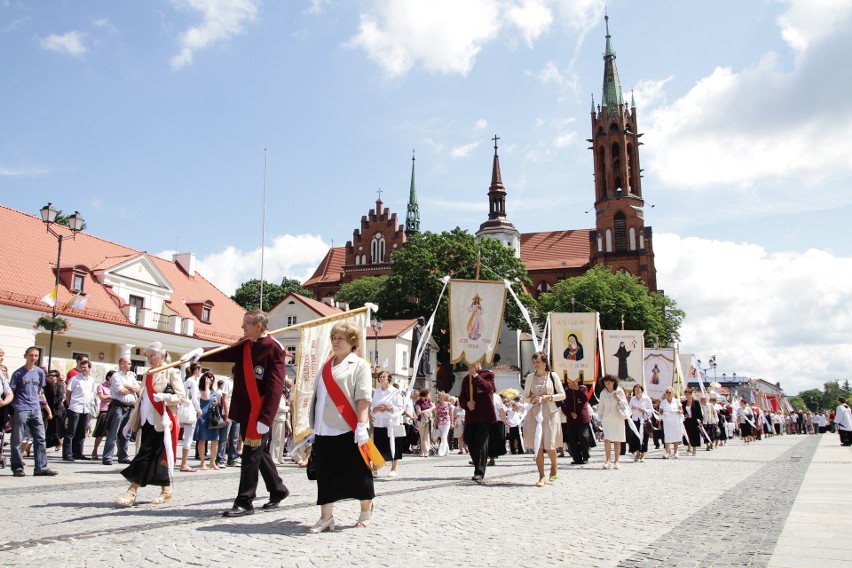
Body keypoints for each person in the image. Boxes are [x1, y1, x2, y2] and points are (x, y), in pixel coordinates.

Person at [184, 310, 290, 518]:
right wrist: (201, 352)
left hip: (259, 413)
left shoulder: (275, 349)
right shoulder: (245, 344)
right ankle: (278, 490)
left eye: (246, 324)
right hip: (246, 409)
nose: (243, 327)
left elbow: (275, 387)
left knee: (251, 455)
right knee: (259, 454)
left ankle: (244, 501)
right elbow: (224, 352)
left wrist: (266, 418)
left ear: (259, 325)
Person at [306, 322, 375, 533]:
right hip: (323, 427)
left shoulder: (359, 365)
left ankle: (366, 509)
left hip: (348, 426)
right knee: (325, 474)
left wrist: (362, 426)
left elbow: (363, 398)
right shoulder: (326, 366)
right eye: (333, 337)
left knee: (358, 471)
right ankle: (326, 518)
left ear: (352, 341)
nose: (335, 342)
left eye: (340, 338)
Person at [115, 342, 186, 506]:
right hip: (147, 420)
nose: (149, 359)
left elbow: (181, 397)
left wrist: (165, 398)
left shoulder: (171, 372)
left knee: (145, 454)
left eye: (152, 355)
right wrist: (133, 419)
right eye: (147, 356)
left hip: (163, 421)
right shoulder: (148, 373)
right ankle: (166, 491)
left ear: (162, 355)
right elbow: (142, 397)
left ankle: (132, 491)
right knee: (156, 455)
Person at [8, 347, 58, 477]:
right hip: (21, 408)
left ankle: (41, 467)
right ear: (25, 356)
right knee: (17, 440)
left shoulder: (39, 372)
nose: (33, 358)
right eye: (31, 355)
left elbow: (39, 390)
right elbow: (12, 391)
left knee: (40, 438)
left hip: (35, 408)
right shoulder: (18, 373)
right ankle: (17, 467)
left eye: (36, 355)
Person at [522, 351, 566, 486]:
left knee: (550, 445)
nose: (535, 364)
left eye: (538, 362)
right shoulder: (530, 377)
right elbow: (525, 397)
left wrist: (549, 397)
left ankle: (554, 464)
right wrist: (532, 399)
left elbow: (562, 395)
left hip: (550, 413)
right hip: (534, 414)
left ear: (545, 363)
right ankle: (541, 476)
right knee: (538, 446)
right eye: (534, 362)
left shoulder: (553, 376)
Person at [458, 363, 496, 483]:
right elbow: (461, 398)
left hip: (484, 415)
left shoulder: (488, 375)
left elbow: (488, 388)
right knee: (469, 439)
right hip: (471, 415)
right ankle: (478, 464)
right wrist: (466, 404)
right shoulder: (465, 379)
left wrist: (475, 375)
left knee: (481, 443)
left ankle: (479, 471)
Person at [102, 357, 139, 465]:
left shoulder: (131, 377)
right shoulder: (116, 376)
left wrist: (129, 386)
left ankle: (123, 456)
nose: (130, 365)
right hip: (118, 406)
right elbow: (121, 391)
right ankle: (107, 457)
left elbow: (139, 389)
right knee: (113, 433)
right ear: (122, 364)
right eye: (128, 363)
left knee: (126, 433)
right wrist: (131, 388)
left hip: (130, 407)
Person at [370, 369, 405, 475]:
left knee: (394, 444)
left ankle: (394, 468)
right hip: (379, 422)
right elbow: (372, 407)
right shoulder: (376, 392)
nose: (382, 379)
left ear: (389, 378)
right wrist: (376, 409)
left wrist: (389, 408)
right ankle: (375, 468)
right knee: (378, 445)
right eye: (380, 377)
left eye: (384, 377)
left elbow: (400, 407)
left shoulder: (395, 392)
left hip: (392, 422)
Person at [64, 359, 95, 462]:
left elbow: (91, 395)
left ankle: (78, 453)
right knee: (71, 432)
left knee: (82, 432)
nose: (83, 369)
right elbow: (68, 393)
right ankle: (67, 453)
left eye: (85, 367)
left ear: (89, 368)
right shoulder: (75, 379)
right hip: (75, 407)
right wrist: (70, 404)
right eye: (82, 367)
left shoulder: (91, 380)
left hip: (86, 408)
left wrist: (92, 409)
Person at [597, 374, 627, 470]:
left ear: (613, 382)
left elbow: (625, 405)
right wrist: (599, 419)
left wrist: (618, 398)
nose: (607, 385)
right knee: (607, 439)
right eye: (605, 384)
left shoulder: (619, 391)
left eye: (609, 383)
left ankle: (617, 461)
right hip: (607, 418)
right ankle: (608, 460)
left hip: (618, 418)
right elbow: (601, 407)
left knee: (617, 440)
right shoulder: (603, 393)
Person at [178, 363, 202, 472]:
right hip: (190, 409)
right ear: (196, 370)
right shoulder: (193, 382)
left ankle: (181, 462)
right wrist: (199, 410)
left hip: (183, 409)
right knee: (188, 437)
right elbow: (194, 398)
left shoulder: (185, 381)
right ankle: (184, 463)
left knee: (183, 435)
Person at [193, 371, 220, 470]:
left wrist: (215, 404)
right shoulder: (200, 389)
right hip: (202, 417)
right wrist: (207, 385)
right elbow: (206, 397)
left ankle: (212, 462)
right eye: (208, 378)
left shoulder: (213, 390)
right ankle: (202, 462)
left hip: (212, 417)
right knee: (202, 440)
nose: (211, 380)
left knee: (215, 440)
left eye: (212, 378)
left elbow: (212, 399)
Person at [562, 376, 592, 464]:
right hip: (571, 419)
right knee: (573, 439)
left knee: (583, 436)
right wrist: (570, 413)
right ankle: (577, 458)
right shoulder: (566, 392)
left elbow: (585, 399)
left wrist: (577, 390)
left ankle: (585, 456)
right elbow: (563, 406)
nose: (571, 384)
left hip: (582, 418)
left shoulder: (583, 389)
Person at [90, 371, 113, 460]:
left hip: (113, 410)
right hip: (105, 411)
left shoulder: (115, 387)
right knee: (100, 433)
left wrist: (109, 397)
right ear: (108, 377)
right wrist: (113, 397)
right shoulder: (101, 386)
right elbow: (102, 398)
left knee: (113, 433)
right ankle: (95, 450)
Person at [627, 384, 652, 462]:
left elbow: (651, 410)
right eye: (635, 390)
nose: (637, 391)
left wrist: (644, 410)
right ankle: (638, 452)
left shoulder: (646, 399)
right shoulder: (633, 399)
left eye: (639, 390)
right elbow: (629, 409)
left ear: (642, 390)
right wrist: (631, 410)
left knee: (645, 437)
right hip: (635, 420)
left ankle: (643, 454)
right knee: (635, 437)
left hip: (644, 420)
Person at [270, 378, 291, 465]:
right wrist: (287, 408)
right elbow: (279, 408)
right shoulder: (277, 396)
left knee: (282, 439)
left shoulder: (282, 396)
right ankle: (273, 457)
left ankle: (279, 457)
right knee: (276, 439)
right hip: (277, 418)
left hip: (282, 418)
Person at [659, 387, 683, 459]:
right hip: (667, 421)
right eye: (667, 392)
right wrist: (663, 413)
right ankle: (667, 452)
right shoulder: (663, 402)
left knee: (676, 436)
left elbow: (682, 410)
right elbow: (660, 411)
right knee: (667, 436)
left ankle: (676, 452)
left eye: (670, 392)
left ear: (672, 393)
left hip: (675, 420)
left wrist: (679, 411)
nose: (668, 394)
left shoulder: (676, 401)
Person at [682, 389, 703, 455]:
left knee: (694, 435)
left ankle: (694, 449)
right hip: (687, 421)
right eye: (686, 394)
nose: (687, 396)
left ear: (691, 394)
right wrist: (685, 414)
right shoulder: (684, 403)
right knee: (687, 434)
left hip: (694, 420)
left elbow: (699, 413)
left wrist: (701, 421)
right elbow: (682, 411)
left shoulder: (696, 402)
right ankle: (689, 447)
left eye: (688, 394)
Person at [414, 388, 434, 457]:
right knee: (422, 436)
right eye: (428, 394)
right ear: (424, 395)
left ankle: (426, 452)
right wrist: (428, 412)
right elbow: (419, 412)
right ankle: (423, 452)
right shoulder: (418, 402)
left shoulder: (429, 400)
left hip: (428, 420)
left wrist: (426, 411)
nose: (429, 395)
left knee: (427, 436)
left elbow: (434, 407)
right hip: (421, 421)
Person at [434, 391, 454, 457]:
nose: (440, 398)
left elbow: (451, 414)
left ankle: (441, 452)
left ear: (444, 397)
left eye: (441, 397)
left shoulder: (449, 404)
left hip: (447, 422)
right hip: (440, 423)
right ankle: (446, 451)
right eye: (439, 397)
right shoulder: (438, 405)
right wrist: (435, 424)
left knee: (444, 436)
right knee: (443, 437)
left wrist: (452, 423)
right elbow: (436, 415)